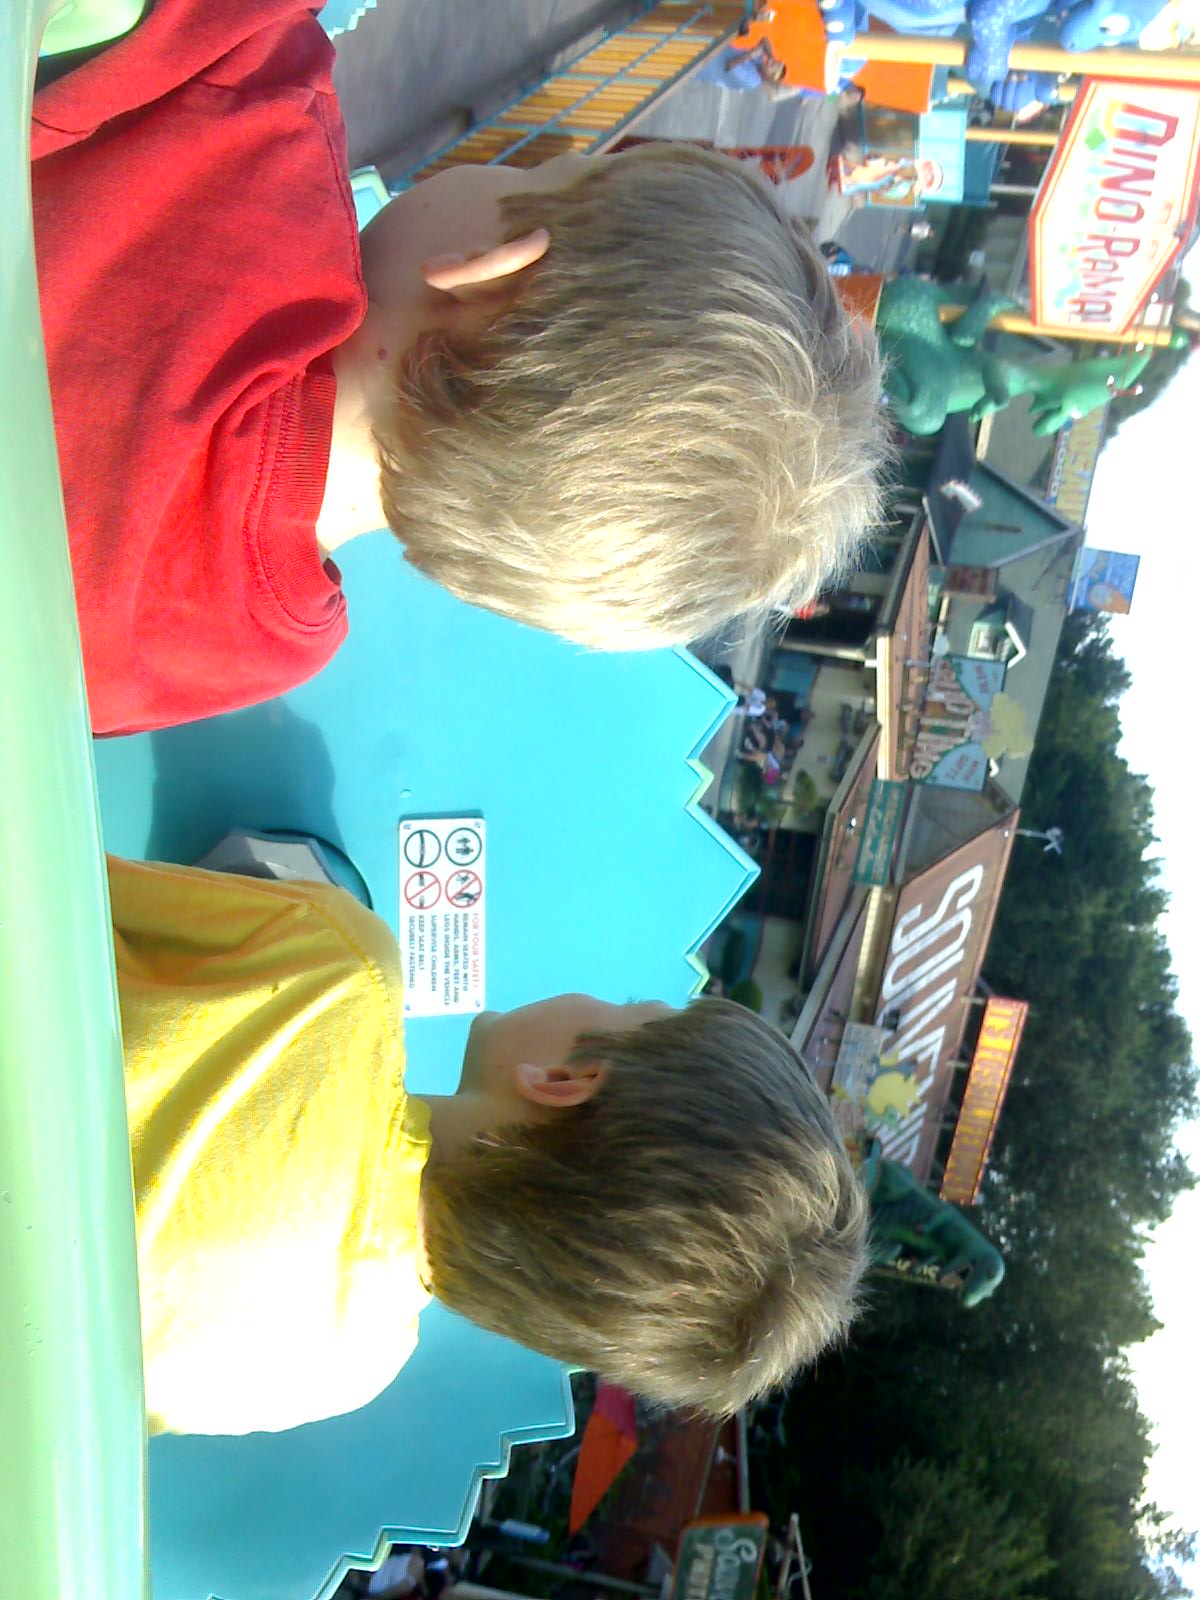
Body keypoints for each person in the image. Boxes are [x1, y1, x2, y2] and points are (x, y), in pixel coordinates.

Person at [31, 0, 886, 737]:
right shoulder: (252, 647)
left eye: (543, 168)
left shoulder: (251, 108)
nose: (513, 162)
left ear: (493, 270)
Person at [111, 854, 870, 1437]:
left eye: (633, 1006)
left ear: (567, 1080)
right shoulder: (346, 1368)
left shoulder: (343, 969)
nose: (606, 995)